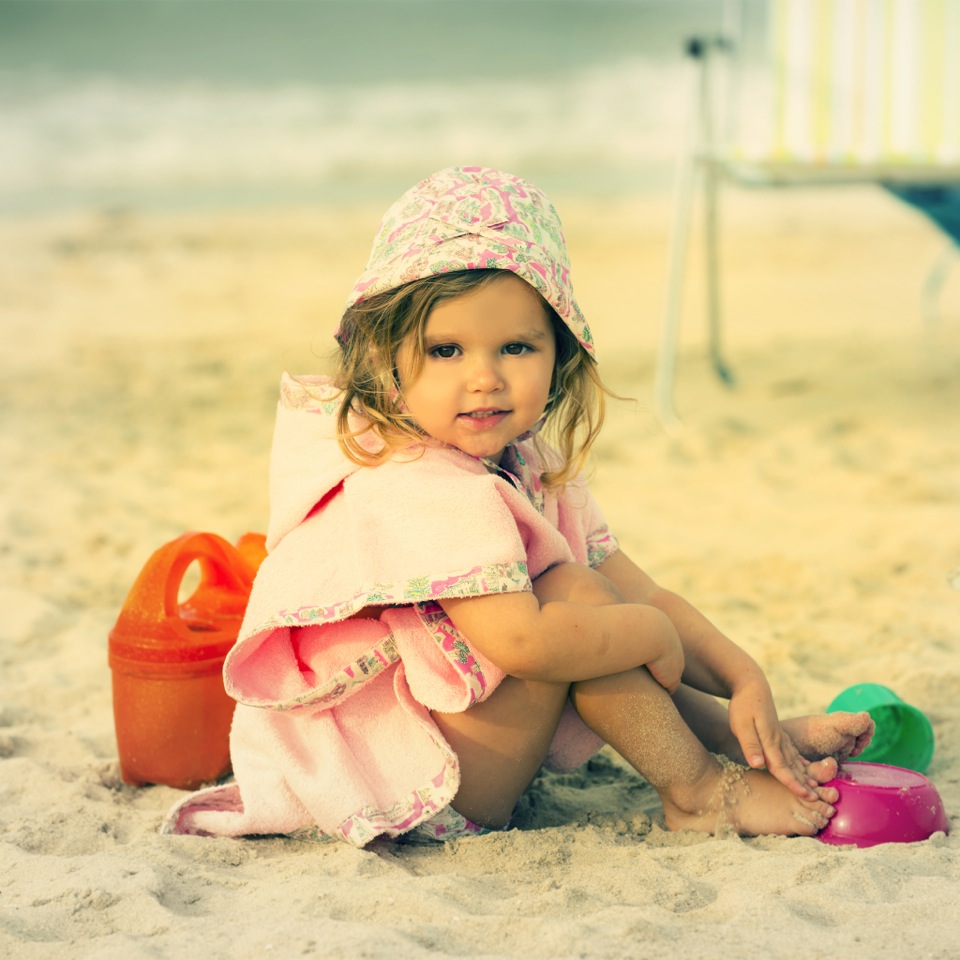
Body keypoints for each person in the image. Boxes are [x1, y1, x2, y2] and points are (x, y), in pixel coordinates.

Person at [163, 166, 873, 846]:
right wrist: (655, 636)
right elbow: (526, 645)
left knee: (591, 598)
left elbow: (637, 587)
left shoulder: (525, 463)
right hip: (428, 785)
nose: (485, 378)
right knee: (576, 605)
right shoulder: (414, 481)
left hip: (473, 734)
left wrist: (743, 677)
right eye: (445, 350)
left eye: (515, 347)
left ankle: (736, 736)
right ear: (385, 362)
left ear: (556, 354)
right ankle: (698, 794)